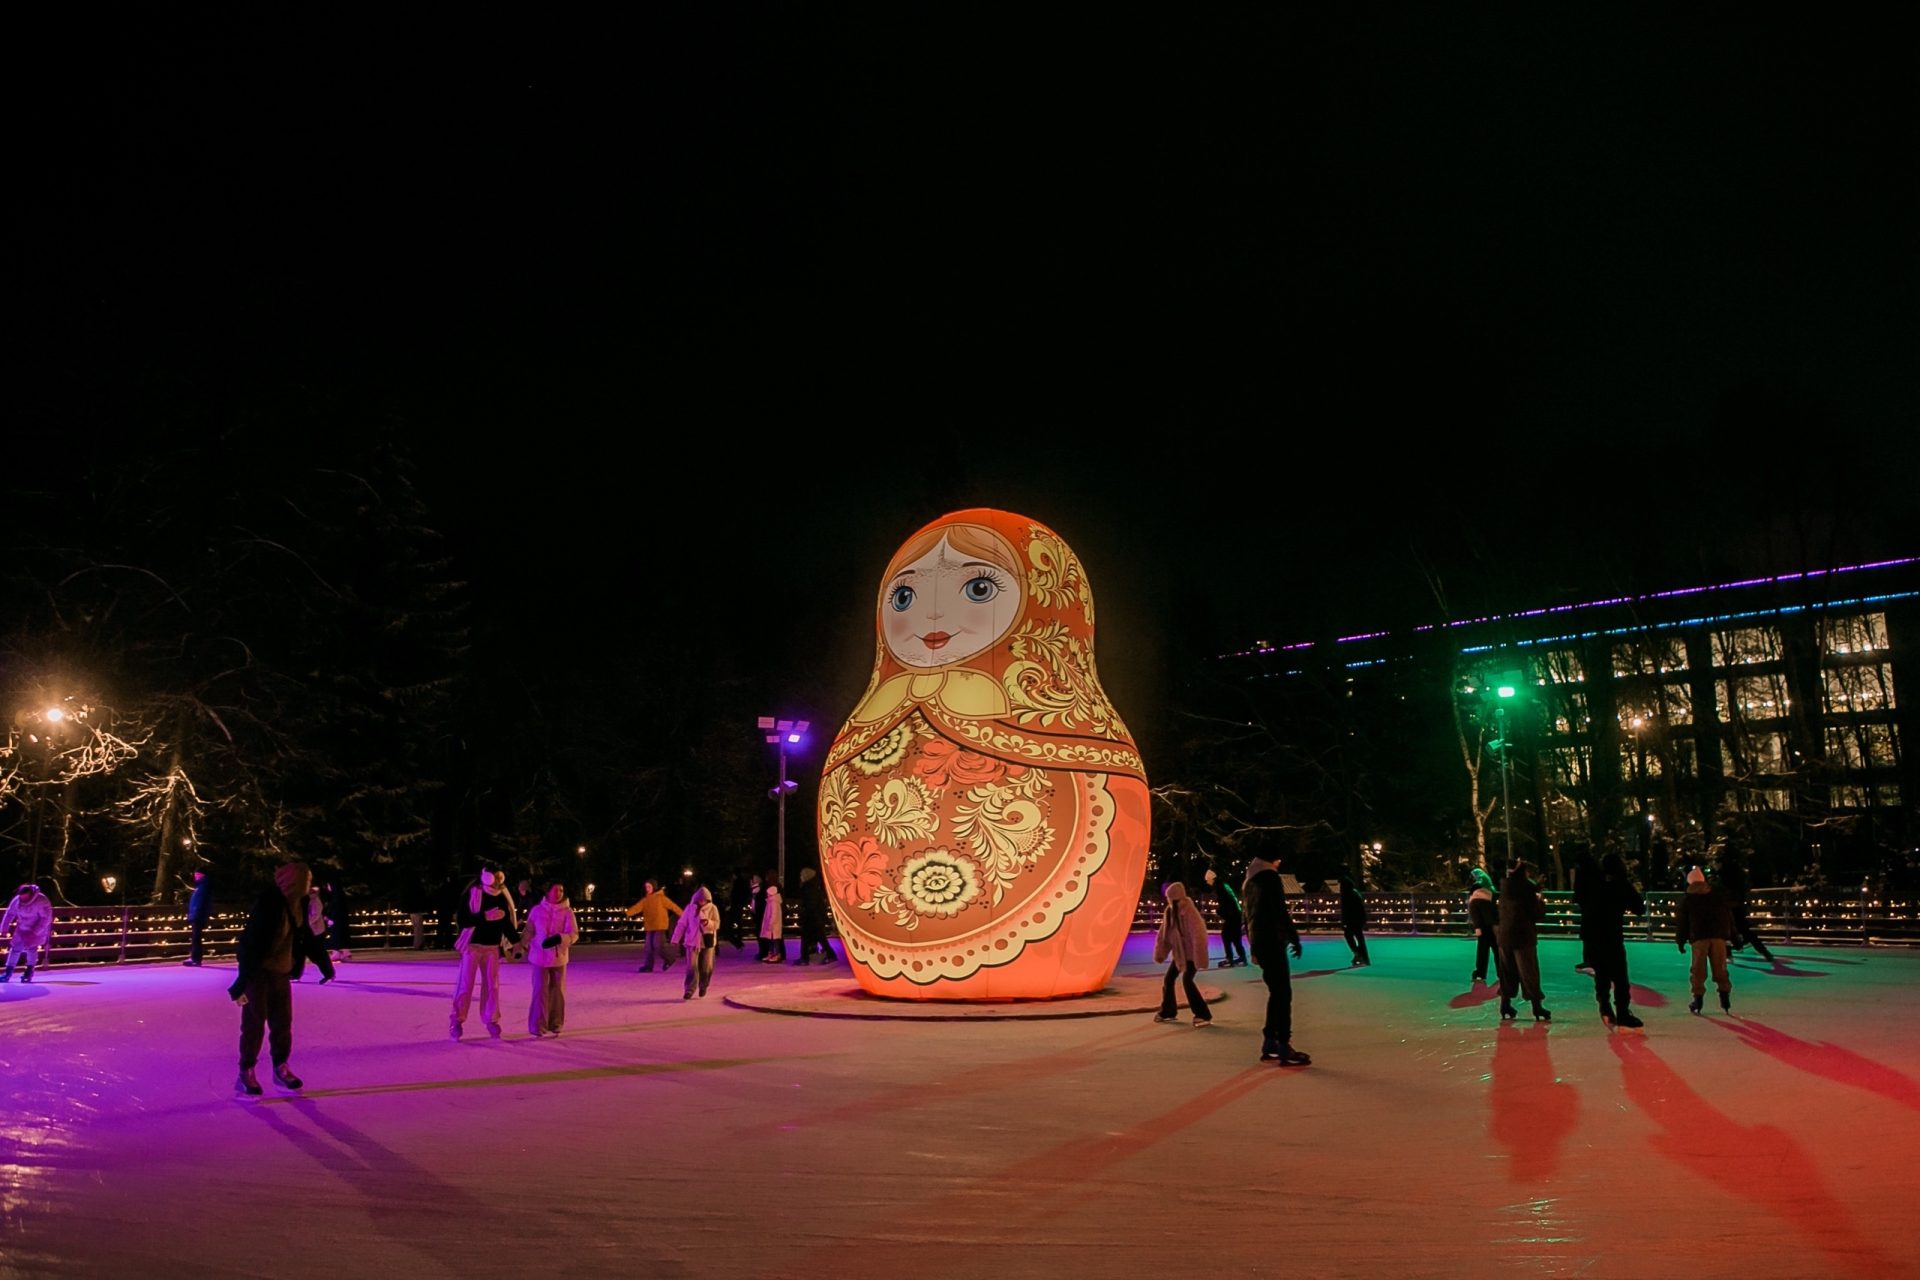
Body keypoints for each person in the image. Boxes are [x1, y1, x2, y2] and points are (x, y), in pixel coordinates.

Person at [226, 862, 313, 1096]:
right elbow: (251, 942)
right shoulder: (269, 902)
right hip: (259, 973)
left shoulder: (300, 903)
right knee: (254, 1024)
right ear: (293, 882)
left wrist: (323, 965)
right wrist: (243, 978)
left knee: (282, 1023)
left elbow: (304, 937)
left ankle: (280, 1066)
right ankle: (246, 1070)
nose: (309, 884)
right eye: (305, 880)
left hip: (281, 972)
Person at [1244, 858, 1309, 1065]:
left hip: (1261, 943)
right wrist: (1294, 937)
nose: (1280, 862)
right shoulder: (1269, 878)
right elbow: (1279, 910)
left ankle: (1271, 1041)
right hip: (1272, 941)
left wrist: (1254, 946)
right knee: (1283, 993)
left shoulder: (1250, 881)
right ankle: (1283, 1045)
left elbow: (1248, 917)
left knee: (1276, 992)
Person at [450, 867, 521, 1041]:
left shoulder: (501, 896)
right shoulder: (473, 893)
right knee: (465, 984)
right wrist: (484, 916)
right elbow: (463, 919)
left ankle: (491, 1019)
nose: (498, 882)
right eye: (495, 878)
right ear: (487, 878)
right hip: (472, 947)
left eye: (500, 878)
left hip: (492, 948)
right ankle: (457, 1020)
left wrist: (516, 941)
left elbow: (505, 922)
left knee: (492, 986)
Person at [1581, 850, 1647, 1029]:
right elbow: (1639, 908)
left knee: (1601, 974)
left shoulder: (1594, 883)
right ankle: (1622, 1013)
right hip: (1612, 936)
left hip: (1593, 937)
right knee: (1620, 977)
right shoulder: (1621, 884)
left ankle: (1605, 1007)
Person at [1675, 865, 1735, 1014]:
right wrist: (1733, 935)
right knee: (1720, 968)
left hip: (1699, 937)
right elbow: (1727, 916)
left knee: (1698, 970)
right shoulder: (1716, 896)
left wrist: (1680, 940)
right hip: (1718, 937)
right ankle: (1725, 997)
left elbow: (1683, 922)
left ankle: (1698, 999)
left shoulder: (1688, 899)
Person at [1152, 881, 1213, 1027]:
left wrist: (1199, 957)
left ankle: (1203, 1014)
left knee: (1187, 980)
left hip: (1192, 954)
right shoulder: (1170, 912)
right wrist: (1161, 953)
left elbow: (1199, 934)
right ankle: (1168, 1011)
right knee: (1169, 979)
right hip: (1180, 955)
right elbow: (1164, 935)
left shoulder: (1189, 912)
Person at [1496, 860, 1551, 1022]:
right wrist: (1540, 901)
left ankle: (1505, 1005)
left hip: (1505, 936)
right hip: (1523, 936)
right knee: (1528, 972)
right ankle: (1537, 1007)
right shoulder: (1526, 888)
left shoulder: (1505, 886)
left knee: (1507, 971)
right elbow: (1536, 914)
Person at [525, 880, 578, 1037]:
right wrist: (520, 945)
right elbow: (529, 930)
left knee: (557, 991)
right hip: (539, 956)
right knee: (539, 990)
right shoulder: (537, 910)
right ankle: (537, 1024)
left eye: (561, 890)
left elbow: (574, 934)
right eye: (555, 890)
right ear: (548, 892)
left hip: (558, 957)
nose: (558, 893)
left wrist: (561, 938)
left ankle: (556, 1022)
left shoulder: (567, 912)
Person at [1718, 850, 1776, 963]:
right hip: (1737, 905)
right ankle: (1764, 952)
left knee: (1725, 931)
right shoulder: (1738, 872)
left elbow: (1722, 890)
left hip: (1727, 906)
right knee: (1745, 930)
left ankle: (1729, 953)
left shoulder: (1724, 875)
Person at [671, 883, 723, 1000]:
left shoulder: (713, 908)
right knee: (691, 967)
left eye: (704, 899)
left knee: (706, 967)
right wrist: (675, 938)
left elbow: (717, 924)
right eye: (700, 899)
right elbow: (682, 924)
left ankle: (703, 986)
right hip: (692, 942)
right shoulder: (690, 909)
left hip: (707, 942)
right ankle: (689, 989)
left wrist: (708, 923)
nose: (701, 901)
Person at [623, 879, 684, 973]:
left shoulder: (661, 898)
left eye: (649, 887)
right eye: (646, 887)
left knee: (658, 946)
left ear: (654, 887)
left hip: (660, 926)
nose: (647, 889)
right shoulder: (645, 900)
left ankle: (669, 959)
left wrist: (684, 916)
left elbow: (674, 907)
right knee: (648, 948)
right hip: (649, 926)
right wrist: (627, 913)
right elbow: (636, 908)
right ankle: (648, 966)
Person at [1, 883, 53, 983]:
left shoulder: (41, 900)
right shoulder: (17, 900)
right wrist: (4, 928)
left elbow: (46, 918)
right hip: (21, 928)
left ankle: (29, 971)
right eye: (21, 897)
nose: (22, 899)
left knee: (31, 949)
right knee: (15, 949)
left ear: (30, 894)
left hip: (35, 929)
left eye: (25, 897)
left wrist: (35, 931)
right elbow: (10, 913)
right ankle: (8, 972)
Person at [1465, 867, 1501, 988]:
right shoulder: (1490, 893)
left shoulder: (1475, 900)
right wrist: (1496, 924)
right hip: (1493, 927)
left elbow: (1475, 915)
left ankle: (1480, 973)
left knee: (1482, 951)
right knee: (1497, 950)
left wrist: (1478, 927)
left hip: (1484, 929)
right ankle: (1502, 972)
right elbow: (1494, 913)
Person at [1568, 844, 1600, 974]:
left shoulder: (1583, 870)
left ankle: (1590, 960)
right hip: (1593, 905)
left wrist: (1577, 897)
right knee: (1591, 934)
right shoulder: (1593, 868)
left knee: (1588, 935)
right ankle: (1592, 960)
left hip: (1588, 906)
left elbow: (1579, 886)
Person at [1205, 867, 1246, 967]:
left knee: (1226, 935)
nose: (1207, 882)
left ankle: (1229, 958)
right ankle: (1242, 957)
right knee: (1236, 937)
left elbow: (1225, 903)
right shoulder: (1224, 885)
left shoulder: (1220, 888)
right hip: (1236, 914)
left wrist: (1220, 912)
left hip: (1232, 916)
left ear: (1211, 879)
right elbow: (1231, 900)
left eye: (1207, 880)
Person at [795, 866, 834, 965]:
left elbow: (811, 904)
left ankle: (805, 958)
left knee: (809, 938)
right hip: (815, 918)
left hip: (812, 918)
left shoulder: (809, 888)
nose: (800, 877)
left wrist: (804, 914)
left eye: (802, 875)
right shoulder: (812, 886)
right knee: (820, 938)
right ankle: (829, 955)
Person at [300, 882, 337, 983]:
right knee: (310, 952)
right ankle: (295, 973)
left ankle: (329, 973)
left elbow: (315, 915)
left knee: (319, 953)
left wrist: (305, 923)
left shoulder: (314, 899)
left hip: (316, 931)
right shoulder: (305, 899)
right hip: (309, 930)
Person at [1337, 874, 1371, 967]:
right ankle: (1362, 956)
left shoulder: (1347, 894)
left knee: (1350, 936)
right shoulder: (1354, 892)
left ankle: (1358, 954)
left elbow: (1346, 910)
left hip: (1353, 919)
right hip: (1358, 919)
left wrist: (1344, 922)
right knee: (1359, 938)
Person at [183, 870, 213, 966]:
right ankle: (194, 957)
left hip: (198, 915)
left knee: (196, 937)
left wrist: (197, 914)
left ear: (202, 875)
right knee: (195, 937)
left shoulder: (203, 887)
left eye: (198, 874)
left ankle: (196, 958)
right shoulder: (199, 887)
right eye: (195, 874)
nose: (195, 876)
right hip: (197, 914)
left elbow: (201, 903)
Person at [758, 874, 786, 963]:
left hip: (774, 926)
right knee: (770, 940)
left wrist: (770, 923)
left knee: (775, 941)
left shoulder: (773, 902)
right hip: (772, 925)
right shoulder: (770, 902)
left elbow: (774, 914)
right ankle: (771, 953)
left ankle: (777, 954)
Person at [323, 877, 351, 962]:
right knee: (342, 934)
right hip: (342, 920)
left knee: (336, 935)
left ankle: (336, 953)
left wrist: (329, 917)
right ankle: (345, 952)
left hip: (335, 920)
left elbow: (333, 909)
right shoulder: (341, 897)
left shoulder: (335, 898)